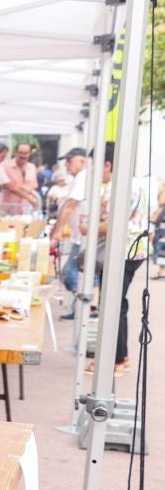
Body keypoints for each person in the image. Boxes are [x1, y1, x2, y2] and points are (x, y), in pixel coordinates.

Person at [82, 143, 148, 377]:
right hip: (134, 251)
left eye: (95, 165)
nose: (94, 171)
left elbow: (109, 225)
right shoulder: (134, 184)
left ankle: (116, 360)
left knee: (112, 306)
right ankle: (121, 357)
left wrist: (86, 227)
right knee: (117, 305)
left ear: (108, 164)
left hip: (122, 252)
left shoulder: (116, 188)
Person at [53, 147, 89, 314]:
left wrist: (57, 232)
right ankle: (83, 309)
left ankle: (89, 307)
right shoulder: (79, 178)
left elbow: (69, 207)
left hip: (82, 237)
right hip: (78, 236)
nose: (67, 165)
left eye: (70, 160)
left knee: (70, 274)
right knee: (75, 274)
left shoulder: (83, 177)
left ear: (82, 160)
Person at [0, 142, 41, 214]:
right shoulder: (5, 165)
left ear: (30, 154)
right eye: (20, 153)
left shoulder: (32, 167)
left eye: (26, 153)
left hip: (26, 210)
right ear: (15, 153)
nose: (23, 156)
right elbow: (4, 185)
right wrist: (18, 188)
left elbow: (33, 187)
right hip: (8, 210)